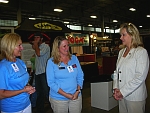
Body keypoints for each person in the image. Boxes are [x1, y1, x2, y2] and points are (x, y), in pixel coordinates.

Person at [113, 23, 149, 113]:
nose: (121, 38)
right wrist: (116, 88)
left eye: (123, 35)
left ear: (132, 35)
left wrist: (123, 92)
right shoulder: (121, 52)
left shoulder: (141, 52)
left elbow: (140, 76)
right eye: (120, 35)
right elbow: (116, 72)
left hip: (135, 97)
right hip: (121, 95)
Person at [46, 36, 84, 113]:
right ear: (57, 48)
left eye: (68, 45)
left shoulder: (74, 58)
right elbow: (51, 82)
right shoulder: (51, 62)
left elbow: (80, 75)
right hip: (59, 99)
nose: (67, 48)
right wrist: (66, 95)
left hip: (76, 96)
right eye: (64, 46)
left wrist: (77, 91)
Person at [0, 33, 35, 113]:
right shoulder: (3, 67)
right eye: (19, 45)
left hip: (26, 104)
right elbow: (1, 94)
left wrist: (28, 87)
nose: (22, 48)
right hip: (11, 108)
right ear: (10, 46)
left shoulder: (20, 62)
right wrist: (23, 90)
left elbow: (24, 83)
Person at [32, 32, 50, 113]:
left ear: (42, 39)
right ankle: (40, 110)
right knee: (39, 92)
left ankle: (54, 106)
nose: (35, 39)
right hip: (38, 73)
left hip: (44, 72)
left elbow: (39, 54)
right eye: (35, 38)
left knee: (47, 91)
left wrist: (35, 44)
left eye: (37, 37)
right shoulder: (37, 47)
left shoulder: (46, 46)